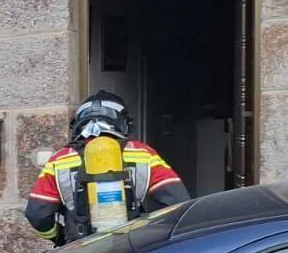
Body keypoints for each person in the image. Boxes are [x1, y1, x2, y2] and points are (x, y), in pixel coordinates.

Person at [25, 90, 191, 245]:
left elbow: (37, 214)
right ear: (123, 122)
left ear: (78, 124)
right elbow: (178, 201)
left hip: (78, 250)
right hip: (130, 247)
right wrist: (152, 234)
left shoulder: (60, 159)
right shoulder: (143, 153)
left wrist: (58, 236)